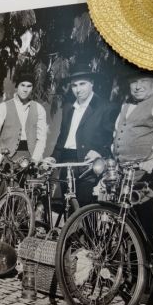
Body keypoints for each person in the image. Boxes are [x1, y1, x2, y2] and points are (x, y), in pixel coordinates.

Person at [113, 70, 153, 242]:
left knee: (146, 222)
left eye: (142, 81)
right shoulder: (125, 106)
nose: (137, 87)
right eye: (133, 82)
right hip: (124, 173)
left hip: (146, 175)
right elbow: (117, 133)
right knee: (123, 220)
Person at [51, 66, 115, 205]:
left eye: (82, 84)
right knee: (68, 207)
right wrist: (53, 157)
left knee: (85, 209)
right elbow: (63, 137)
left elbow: (111, 138)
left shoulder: (104, 107)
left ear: (92, 83)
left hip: (87, 164)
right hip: (66, 162)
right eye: (74, 85)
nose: (78, 89)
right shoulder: (68, 107)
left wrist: (99, 152)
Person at [0, 71, 48, 163]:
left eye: (29, 86)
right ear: (17, 87)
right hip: (8, 157)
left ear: (32, 88)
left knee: (31, 177)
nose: (25, 89)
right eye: (22, 85)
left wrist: (35, 158)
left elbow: (41, 138)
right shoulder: (4, 107)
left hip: (30, 157)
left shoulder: (39, 109)